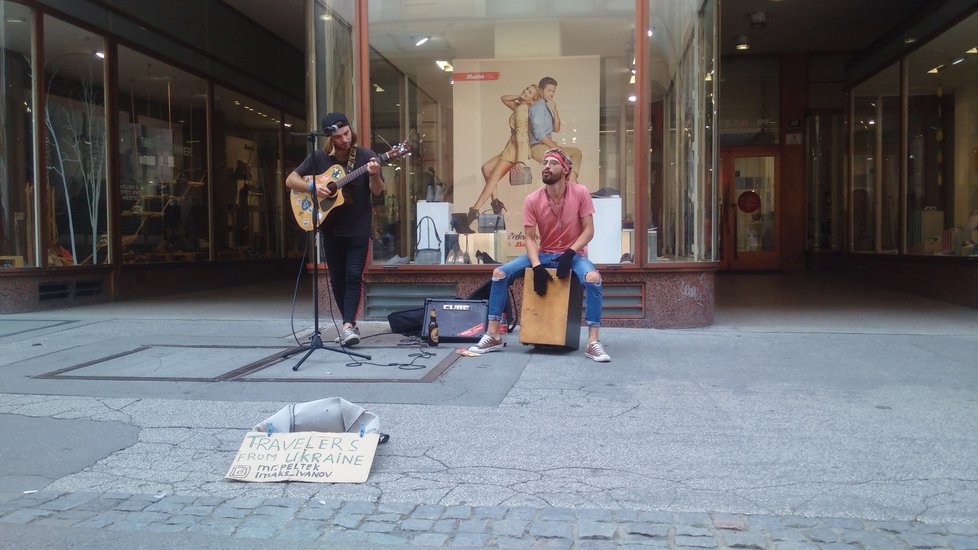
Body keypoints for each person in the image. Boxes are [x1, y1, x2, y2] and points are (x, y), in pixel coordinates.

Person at [467, 148, 611, 363]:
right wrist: (536, 266)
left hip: (573, 256)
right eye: (545, 163)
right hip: (544, 254)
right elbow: (530, 237)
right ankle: (493, 334)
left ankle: (592, 342)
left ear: (565, 170)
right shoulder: (533, 199)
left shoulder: (580, 192)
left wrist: (570, 253)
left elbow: (589, 230)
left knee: (593, 278)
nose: (546, 166)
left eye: (553, 163)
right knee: (498, 274)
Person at [285, 112, 384, 346]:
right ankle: (348, 322)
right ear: (329, 137)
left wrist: (376, 174)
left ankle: (349, 326)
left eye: (347, 133)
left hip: (359, 226)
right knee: (337, 279)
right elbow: (291, 180)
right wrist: (313, 186)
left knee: (353, 276)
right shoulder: (319, 158)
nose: (345, 140)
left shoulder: (366, 156)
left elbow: (378, 191)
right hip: (330, 227)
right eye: (338, 137)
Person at [463, 84, 539, 228]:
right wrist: (520, 96)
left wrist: (520, 160)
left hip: (515, 150)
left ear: (532, 101)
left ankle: (473, 212)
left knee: (492, 179)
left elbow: (521, 136)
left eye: (529, 93)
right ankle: (496, 204)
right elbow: (503, 99)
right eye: (526, 89)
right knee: (486, 168)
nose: (525, 91)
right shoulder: (519, 106)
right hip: (510, 147)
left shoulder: (523, 111)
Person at [529, 76, 583, 182]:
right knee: (570, 157)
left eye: (553, 91)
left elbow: (556, 128)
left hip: (546, 146)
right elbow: (539, 135)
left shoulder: (545, 106)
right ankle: (572, 183)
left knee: (576, 153)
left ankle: (571, 182)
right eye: (549, 90)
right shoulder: (538, 107)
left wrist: (554, 110)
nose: (551, 94)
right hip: (538, 148)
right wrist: (557, 148)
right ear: (540, 90)